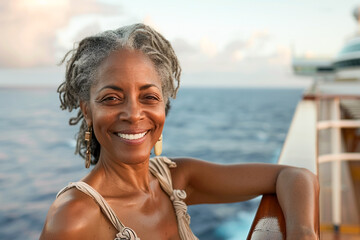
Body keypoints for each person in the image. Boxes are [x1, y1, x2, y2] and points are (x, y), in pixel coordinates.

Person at [40, 23, 319, 240]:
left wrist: (303, 232)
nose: (134, 114)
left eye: (149, 97)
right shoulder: (74, 215)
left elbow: (294, 176)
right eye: (111, 98)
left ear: (163, 106)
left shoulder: (174, 180)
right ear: (87, 109)